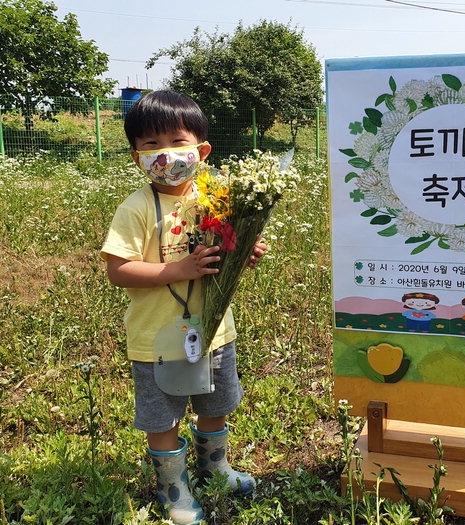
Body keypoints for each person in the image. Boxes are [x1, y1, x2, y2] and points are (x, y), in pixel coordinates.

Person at [101, 90, 267, 524]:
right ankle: (173, 488)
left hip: (215, 332)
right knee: (163, 416)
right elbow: (118, 271)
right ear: (135, 155)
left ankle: (216, 469)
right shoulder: (136, 209)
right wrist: (179, 270)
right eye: (151, 145)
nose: (166, 154)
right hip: (156, 339)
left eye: (177, 141)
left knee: (215, 404)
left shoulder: (218, 199)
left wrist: (242, 252)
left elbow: (220, 258)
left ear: (201, 150)